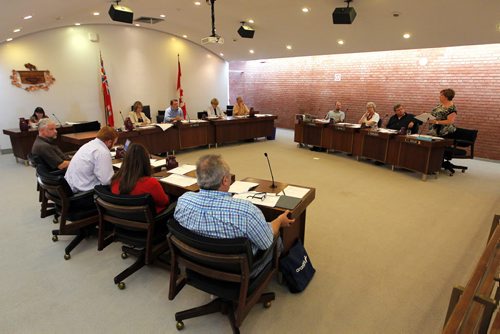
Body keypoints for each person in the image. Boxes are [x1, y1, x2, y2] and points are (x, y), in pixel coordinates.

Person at [174, 154, 294, 276]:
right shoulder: (246, 212)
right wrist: (279, 221)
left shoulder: (183, 201)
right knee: (276, 239)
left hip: (198, 262)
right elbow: (266, 243)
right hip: (238, 272)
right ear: (225, 180)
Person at [111, 143, 169, 213]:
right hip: (152, 219)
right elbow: (164, 202)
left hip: (122, 219)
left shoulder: (115, 180)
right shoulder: (151, 183)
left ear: (125, 160)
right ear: (146, 161)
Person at [65, 126, 118, 193]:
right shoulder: (102, 151)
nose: (113, 145)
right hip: (83, 193)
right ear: (110, 142)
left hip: (70, 187)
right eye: (114, 143)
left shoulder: (89, 145)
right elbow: (107, 181)